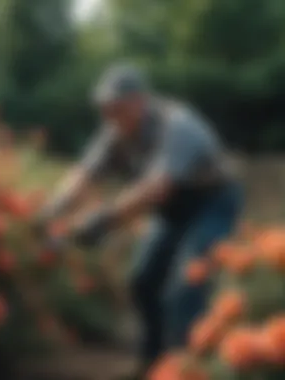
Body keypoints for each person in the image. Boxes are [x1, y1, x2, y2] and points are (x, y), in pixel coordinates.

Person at [32, 64, 243, 379]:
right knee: (143, 280)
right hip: (171, 208)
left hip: (211, 202)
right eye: (104, 109)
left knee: (186, 287)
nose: (109, 117)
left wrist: (102, 221)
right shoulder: (116, 130)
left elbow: (156, 188)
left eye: (115, 108)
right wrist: (50, 212)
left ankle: (188, 370)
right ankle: (153, 362)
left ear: (139, 101)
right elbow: (85, 175)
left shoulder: (178, 126)